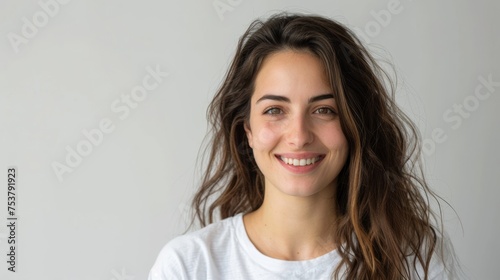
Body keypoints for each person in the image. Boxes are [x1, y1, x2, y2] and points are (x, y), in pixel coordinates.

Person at [148, 13, 459, 279]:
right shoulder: (189, 265)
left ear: (354, 126)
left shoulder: (412, 257)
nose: (299, 136)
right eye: (275, 111)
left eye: (324, 110)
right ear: (248, 131)